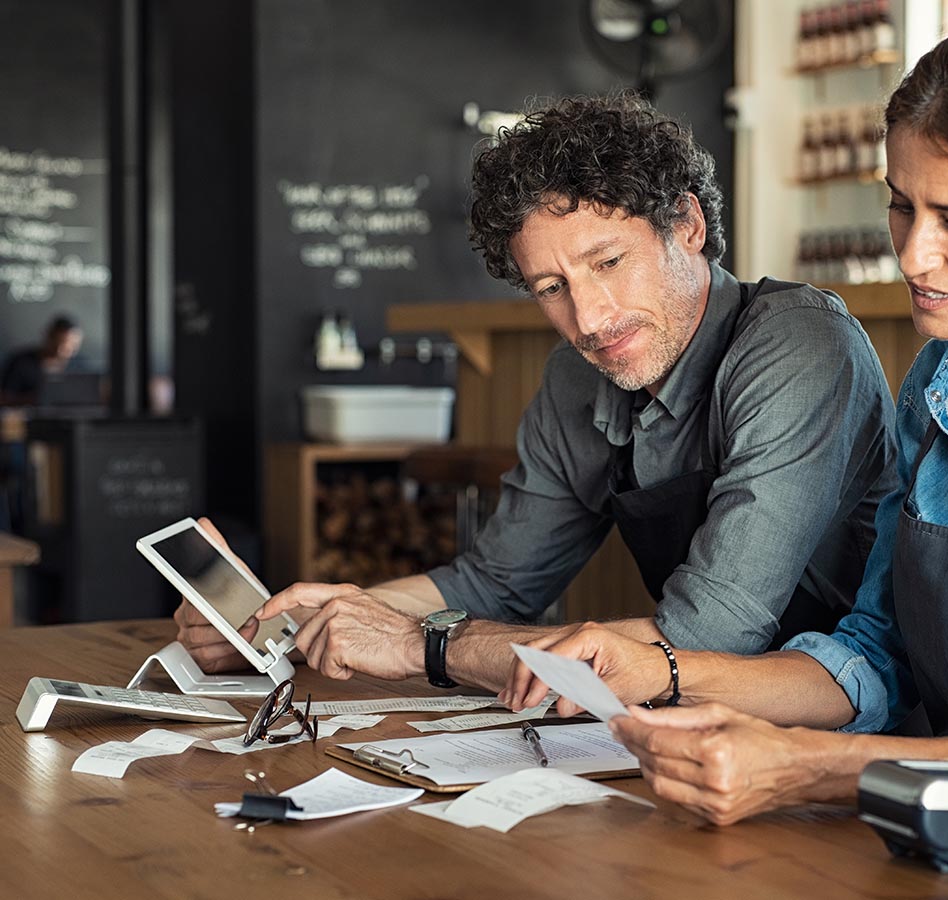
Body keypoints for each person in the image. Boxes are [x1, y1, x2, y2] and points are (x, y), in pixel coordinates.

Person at [508, 17, 948, 849]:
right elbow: (875, 655)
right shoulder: (936, 390)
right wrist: (662, 672)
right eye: (901, 207)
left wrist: (806, 767)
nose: (913, 254)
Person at [174, 93, 898, 693]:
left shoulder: (798, 345)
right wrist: (290, 623)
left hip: (855, 724)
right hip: (702, 731)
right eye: (552, 288)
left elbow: (705, 637)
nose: (589, 319)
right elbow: (495, 581)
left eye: (609, 262)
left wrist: (422, 647)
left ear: (688, 226)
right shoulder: (577, 377)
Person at [0, 315, 84, 404]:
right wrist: (35, 399)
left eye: (72, 345)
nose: (62, 350)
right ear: (49, 336)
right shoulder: (20, 362)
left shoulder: (81, 366)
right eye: (58, 343)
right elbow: (4, 397)